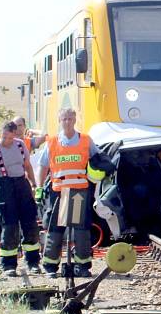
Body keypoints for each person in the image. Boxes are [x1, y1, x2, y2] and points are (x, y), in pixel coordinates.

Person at [37, 108, 109, 279]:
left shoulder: (85, 140)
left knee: (80, 230)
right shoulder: (52, 142)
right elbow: (43, 166)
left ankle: (82, 266)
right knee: (56, 229)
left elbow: (98, 158)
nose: (67, 122)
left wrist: (105, 166)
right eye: (64, 119)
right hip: (59, 193)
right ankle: (50, 267)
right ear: (59, 120)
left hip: (78, 192)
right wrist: (39, 187)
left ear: (75, 119)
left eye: (70, 118)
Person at [0, 121, 41, 276]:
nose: (5, 140)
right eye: (3, 137)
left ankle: (33, 262)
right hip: (3, 187)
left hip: (22, 185)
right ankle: (8, 265)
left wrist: (34, 185)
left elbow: (27, 166)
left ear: (15, 135)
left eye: (8, 137)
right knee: (9, 228)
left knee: (30, 225)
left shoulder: (20, 146)